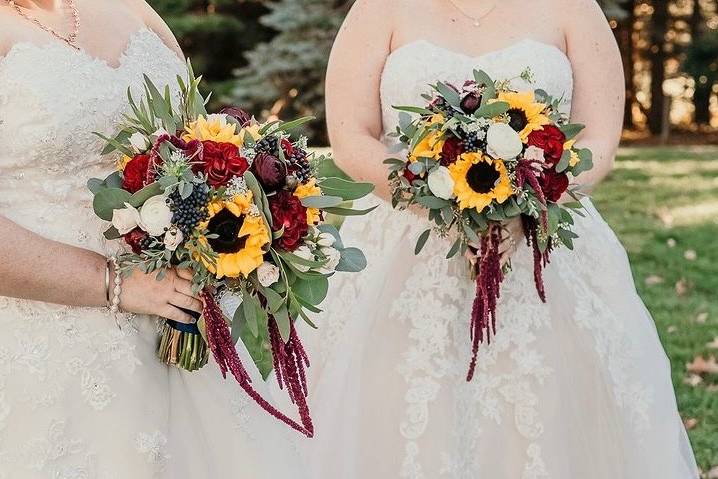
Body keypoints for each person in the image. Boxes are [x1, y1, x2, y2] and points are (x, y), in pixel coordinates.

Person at [306, 0, 700, 477]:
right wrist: (440, 204)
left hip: (543, 244)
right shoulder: (378, 8)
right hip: (404, 247)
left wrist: (525, 210)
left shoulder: (576, 9)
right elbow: (352, 139)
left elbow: (598, 143)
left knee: (546, 408)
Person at [0, 1, 308, 477]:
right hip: (54, 335)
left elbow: (197, 141)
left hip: (186, 311)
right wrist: (117, 283)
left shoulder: (132, 8)